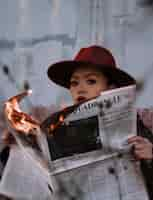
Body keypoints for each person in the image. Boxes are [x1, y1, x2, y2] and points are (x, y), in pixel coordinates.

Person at [45, 45, 153, 199]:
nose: (80, 89)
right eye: (74, 83)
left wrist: (150, 157)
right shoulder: (55, 126)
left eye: (91, 81)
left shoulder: (133, 123)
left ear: (111, 88)